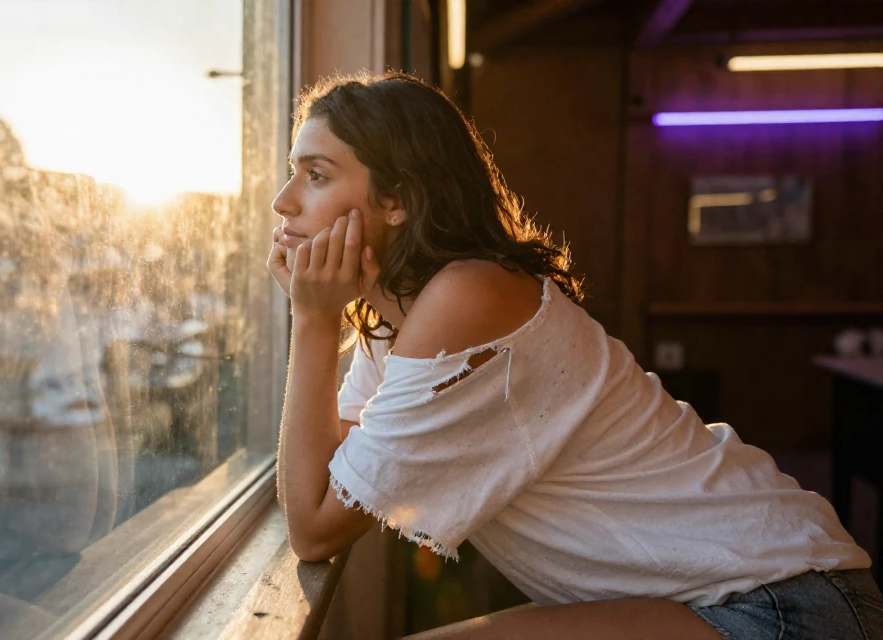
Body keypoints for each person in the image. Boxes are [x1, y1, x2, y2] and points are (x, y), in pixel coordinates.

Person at [266, 72, 882, 640]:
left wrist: (314, 321)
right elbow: (335, 464)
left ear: (395, 200)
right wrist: (324, 316)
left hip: (784, 601)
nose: (283, 201)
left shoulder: (466, 296)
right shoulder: (406, 313)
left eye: (316, 174)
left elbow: (315, 527)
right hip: (727, 594)